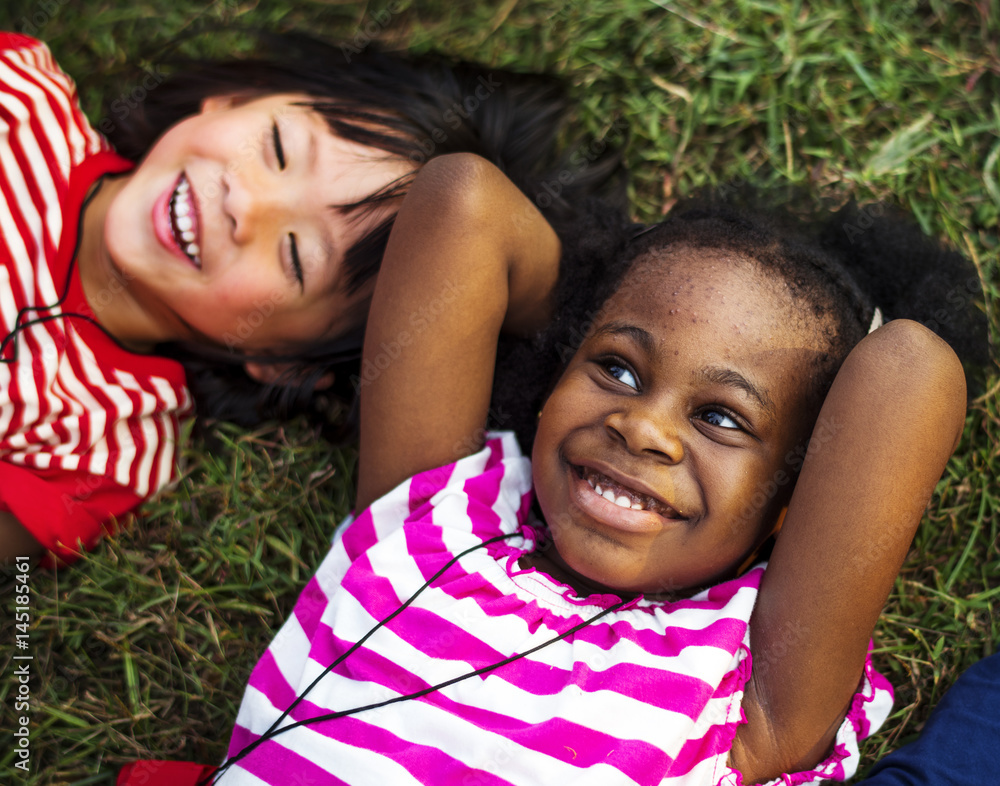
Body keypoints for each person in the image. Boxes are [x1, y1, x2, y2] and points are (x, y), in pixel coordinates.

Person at [117, 154, 987, 785]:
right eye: (615, 367)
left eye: (721, 417)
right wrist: (608, 286)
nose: (642, 427)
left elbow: (909, 367)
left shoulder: (750, 689)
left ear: (793, 501)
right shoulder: (427, 526)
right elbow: (463, 202)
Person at [0, 32, 624, 566]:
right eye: (275, 149)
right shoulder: (22, 101)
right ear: (234, 98)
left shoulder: (106, 443)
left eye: (296, 256)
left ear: (282, 361)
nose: (244, 205)